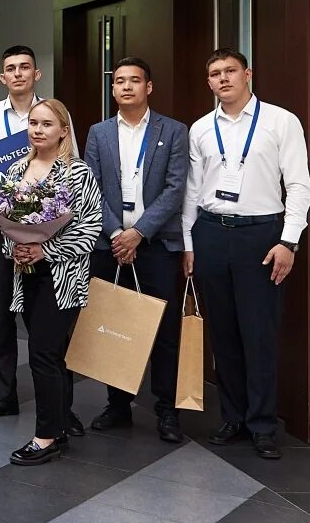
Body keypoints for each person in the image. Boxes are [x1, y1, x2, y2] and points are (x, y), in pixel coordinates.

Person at [183, 48, 310, 460]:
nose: (223, 79)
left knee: (258, 334)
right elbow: (191, 191)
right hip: (211, 234)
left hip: (262, 237)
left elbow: (299, 185)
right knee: (223, 333)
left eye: (230, 71)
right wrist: (188, 243)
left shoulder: (280, 121)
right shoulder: (201, 128)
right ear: (209, 82)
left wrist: (288, 241)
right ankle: (233, 417)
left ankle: (262, 425)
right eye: (215, 73)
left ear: (247, 74)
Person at [0, 45, 78, 425]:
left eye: (24, 67)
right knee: (2, 315)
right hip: (1, 231)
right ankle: (4, 395)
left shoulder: (54, 112)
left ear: (37, 74)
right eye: (10, 69)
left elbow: (70, 174)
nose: (17, 73)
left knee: (47, 324)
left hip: (52, 237)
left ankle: (62, 405)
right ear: (2, 77)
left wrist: (46, 238)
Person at [84, 57, 188, 444]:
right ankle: (118, 405)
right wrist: (116, 233)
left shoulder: (174, 131)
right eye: (119, 81)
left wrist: (138, 233)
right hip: (109, 242)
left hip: (156, 243)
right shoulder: (99, 133)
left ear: (149, 87)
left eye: (135, 80)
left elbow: (175, 189)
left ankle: (167, 410)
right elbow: (89, 187)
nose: (126, 87)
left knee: (163, 330)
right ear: (113, 90)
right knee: (115, 325)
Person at [1, 99, 100, 465]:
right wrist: (16, 248)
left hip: (62, 277)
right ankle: (58, 427)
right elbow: (4, 220)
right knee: (52, 356)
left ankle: (44, 437)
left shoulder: (77, 173)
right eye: (33, 122)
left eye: (46, 123)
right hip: (24, 275)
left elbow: (90, 227)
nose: (38, 129)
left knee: (42, 353)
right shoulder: (16, 169)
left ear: (63, 130)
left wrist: (46, 250)